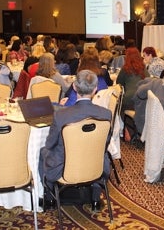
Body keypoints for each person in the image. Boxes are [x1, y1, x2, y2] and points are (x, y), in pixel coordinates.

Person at [39, 70, 112, 212]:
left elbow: (50, 144)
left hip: (64, 168)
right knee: (100, 153)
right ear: (95, 89)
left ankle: (50, 198)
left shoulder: (61, 115)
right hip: (95, 167)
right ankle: (96, 198)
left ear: (74, 87)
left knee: (43, 151)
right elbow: (105, 144)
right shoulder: (106, 114)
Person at [116, 47, 148, 114]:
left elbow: (118, 83)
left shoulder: (125, 68)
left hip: (129, 99)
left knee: (117, 106)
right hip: (143, 98)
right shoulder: (143, 68)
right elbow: (148, 80)